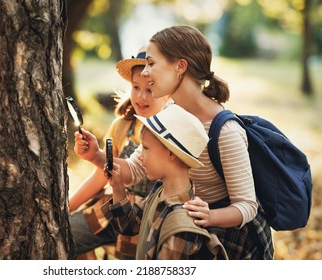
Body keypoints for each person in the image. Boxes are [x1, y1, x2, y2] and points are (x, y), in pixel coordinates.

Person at [74, 25, 274, 259]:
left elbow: (247, 206)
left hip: (230, 243)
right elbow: (137, 168)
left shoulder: (225, 130)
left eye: (151, 63)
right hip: (185, 229)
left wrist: (209, 215)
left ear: (180, 67)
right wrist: (97, 156)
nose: (145, 73)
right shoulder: (169, 114)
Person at [69, 47, 170, 259]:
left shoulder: (171, 130)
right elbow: (100, 175)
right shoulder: (122, 126)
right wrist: (68, 207)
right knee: (65, 235)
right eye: (135, 87)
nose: (141, 97)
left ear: (167, 91)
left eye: (150, 89)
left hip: (147, 222)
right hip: (108, 210)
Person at [101, 103, 228, 260]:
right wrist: (118, 187)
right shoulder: (161, 191)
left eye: (146, 148)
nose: (140, 157)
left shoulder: (182, 226)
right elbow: (129, 226)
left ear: (170, 153)